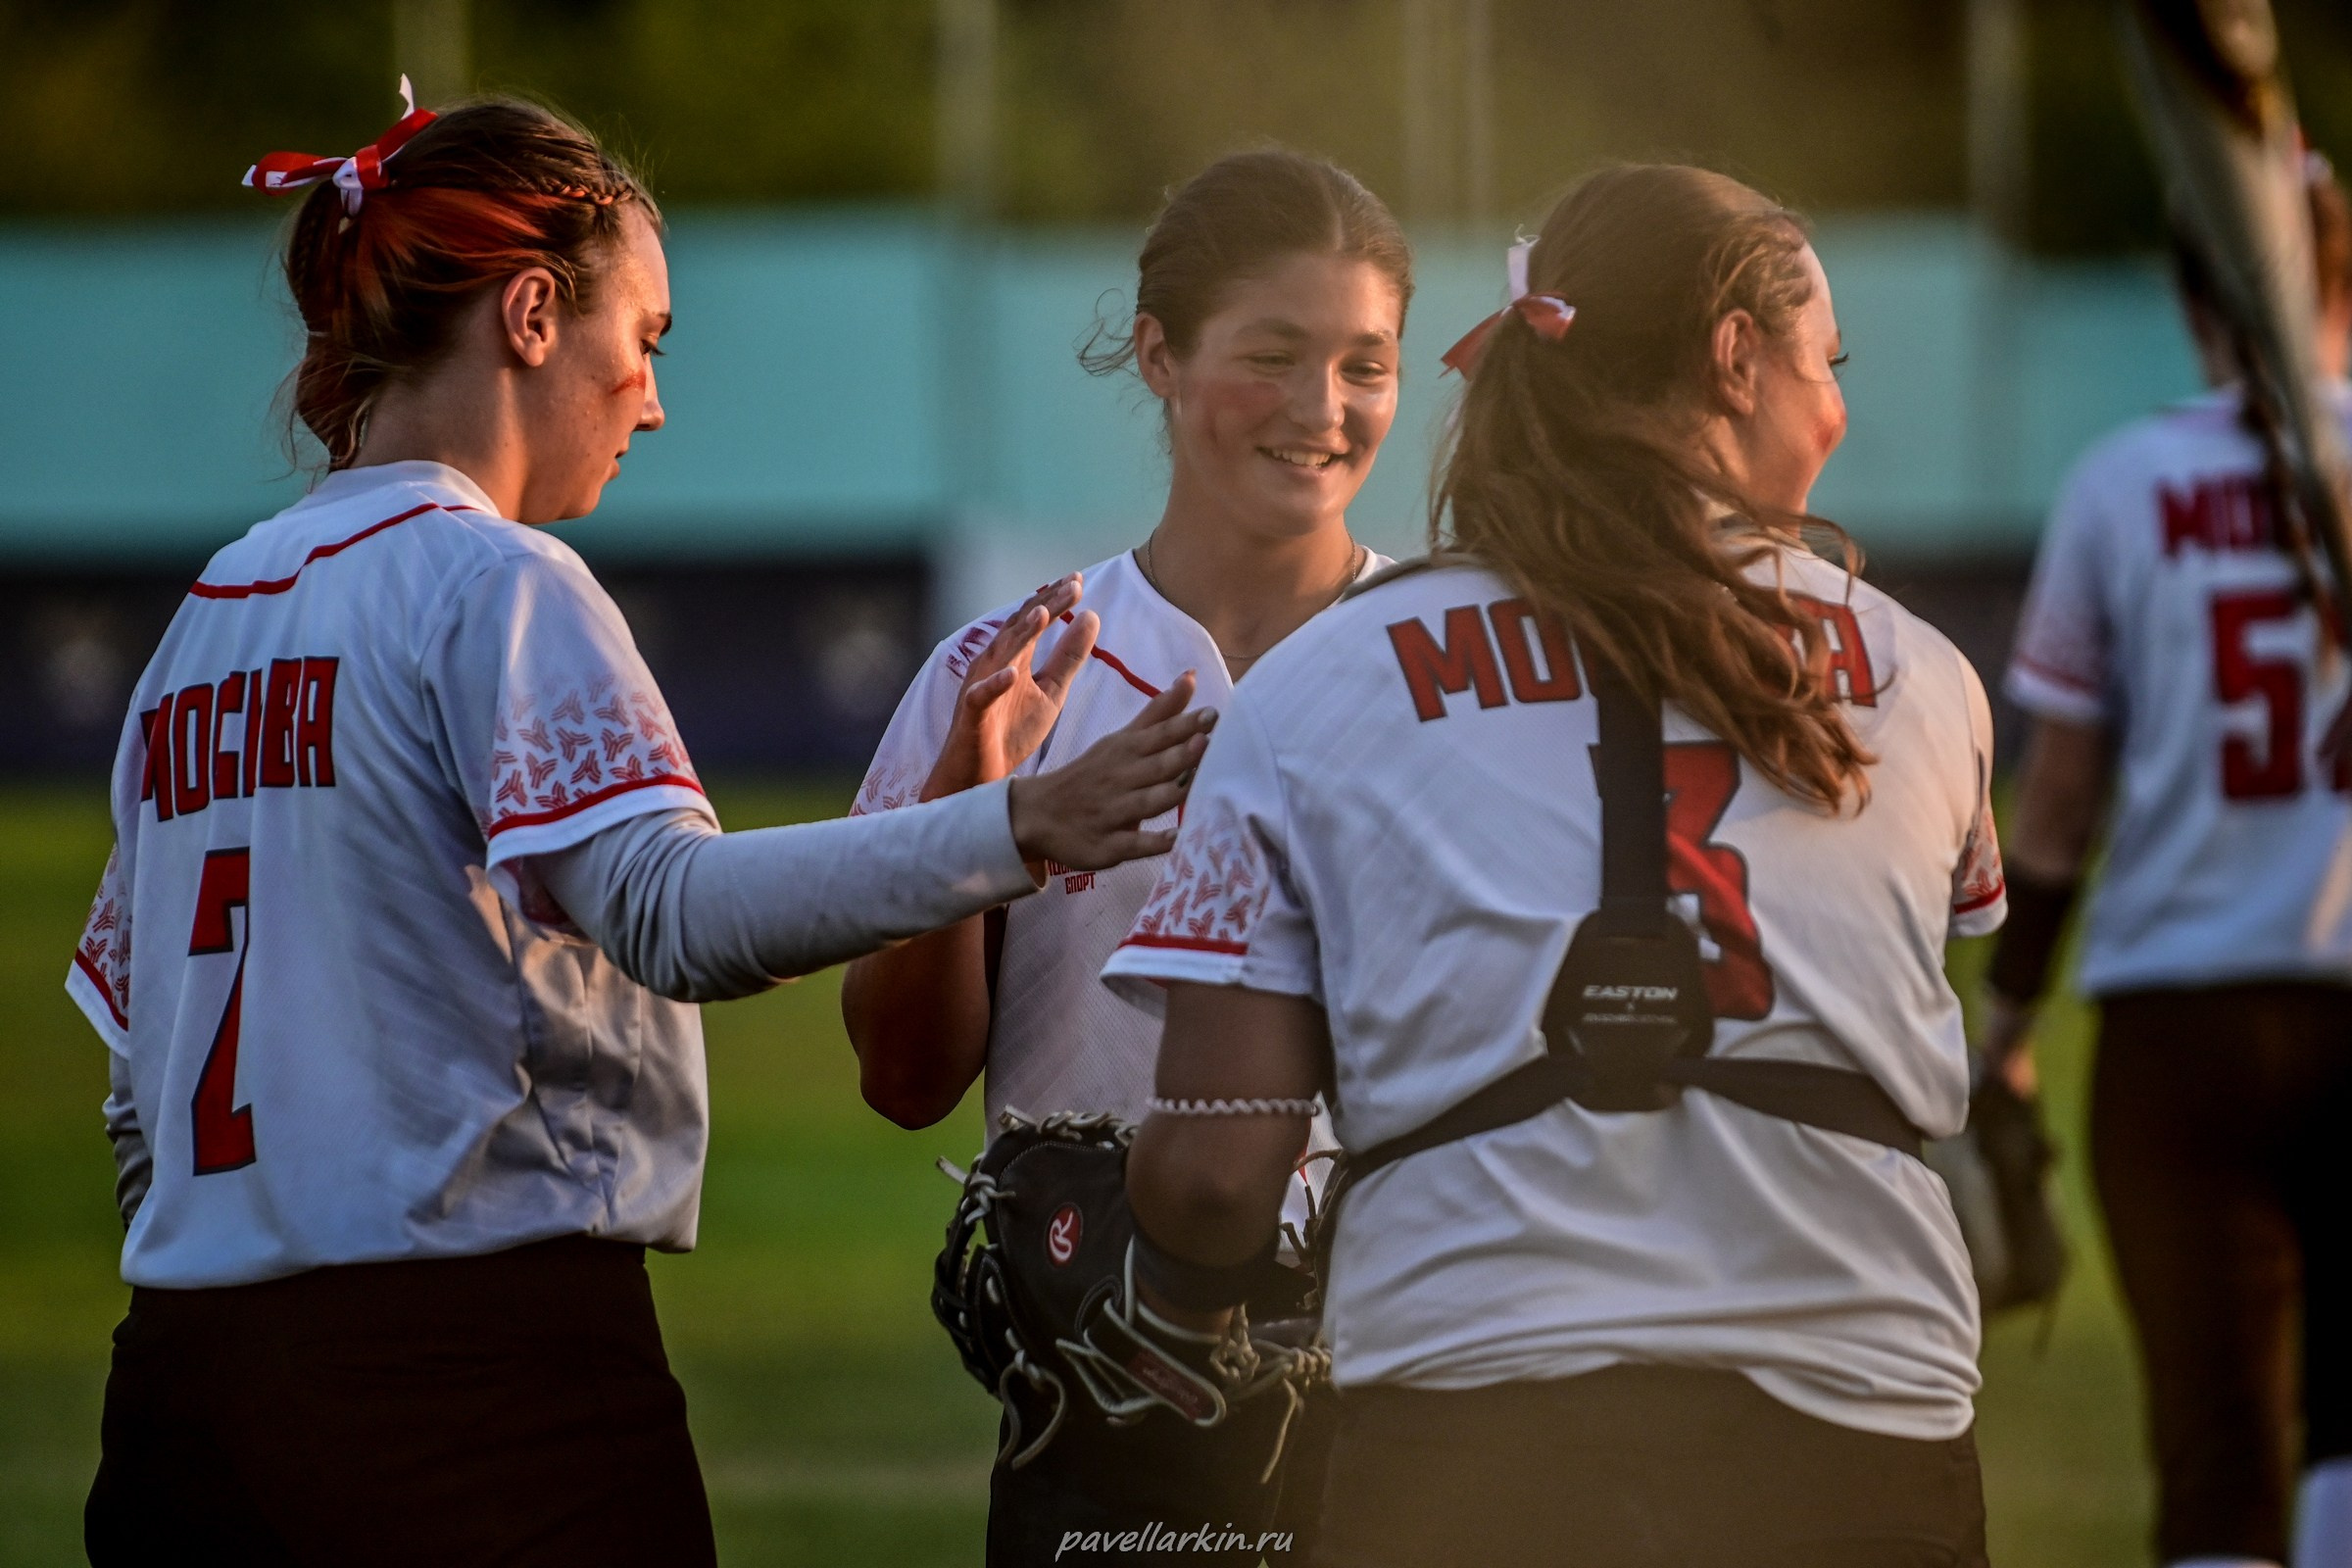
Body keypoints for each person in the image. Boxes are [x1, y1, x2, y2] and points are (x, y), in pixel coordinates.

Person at [64, 87, 1209, 1568]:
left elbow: (133, 1079)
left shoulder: (203, 622)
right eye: (646, 338)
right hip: (474, 1397)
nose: (654, 397)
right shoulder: (495, 581)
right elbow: (673, 912)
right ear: (534, 313)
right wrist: (1012, 824)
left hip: (179, 1397)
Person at [1103, 163, 2007, 1567]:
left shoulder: (1314, 685)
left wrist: (1168, 1310)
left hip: (1472, 1440)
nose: (1836, 403)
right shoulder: (1930, 680)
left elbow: (1221, 1167)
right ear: (1736, 360)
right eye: (1829, 362)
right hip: (1863, 1426)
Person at [840, 149, 1410, 1561]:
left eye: (1366, 365)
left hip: (1411, 1391)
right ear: (1157, 353)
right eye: (1269, 355)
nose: (1320, 411)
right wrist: (982, 817)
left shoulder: (1448, 664)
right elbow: (905, 1082)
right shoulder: (1020, 665)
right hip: (1103, 1400)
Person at [1986, 153, 2352, 1568]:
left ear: (2192, 290)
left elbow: (2061, 796)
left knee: (2215, 1450)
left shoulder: (2124, 482)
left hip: (2181, 1021)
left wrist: (2010, 1018)